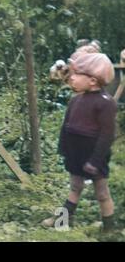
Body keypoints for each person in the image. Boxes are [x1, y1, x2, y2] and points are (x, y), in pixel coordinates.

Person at [42, 53, 117, 232]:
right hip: (76, 153)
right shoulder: (75, 100)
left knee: (102, 193)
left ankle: (110, 227)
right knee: (75, 187)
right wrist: (63, 149)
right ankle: (62, 221)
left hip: (94, 154)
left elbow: (107, 134)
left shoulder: (106, 103)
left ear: (92, 80)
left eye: (76, 75)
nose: (71, 78)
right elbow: (66, 127)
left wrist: (95, 160)